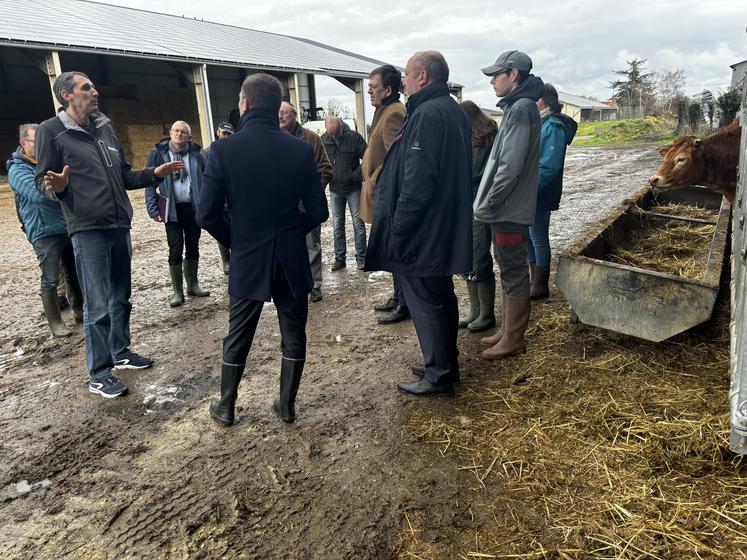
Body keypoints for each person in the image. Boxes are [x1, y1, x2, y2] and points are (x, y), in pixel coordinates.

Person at [35, 71, 183, 398]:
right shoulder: (52, 132)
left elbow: (126, 175)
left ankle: (120, 351)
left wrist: (154, 174)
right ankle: (99, 373)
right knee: (97, 305)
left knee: (121, 297)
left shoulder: (105, 128)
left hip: (119, 225)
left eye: (93, 86)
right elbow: (41, 182)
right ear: (66, 95)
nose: (95, 91)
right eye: (86, 88)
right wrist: (57, 187)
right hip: (88, 229)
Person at [197, 73, 328, 426]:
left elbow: (206, 214)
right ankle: (286, 405)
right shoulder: (300, 149)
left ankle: (226, 405)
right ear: (277, 107)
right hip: (290, 256)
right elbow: (319, 212)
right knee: (294, 332)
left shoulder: (223, 150)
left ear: (245, 104)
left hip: (248, 255)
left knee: (238, 332)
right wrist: (288, 231)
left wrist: (236, 239)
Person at [365, 51, 472, 397]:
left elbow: (418, 181)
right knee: (441, 295)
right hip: (442, 224)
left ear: (422, 77)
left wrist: (399, 226)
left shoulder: (426, 114)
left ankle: (438, 374)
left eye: (408, 76)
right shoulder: (451, 109)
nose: (405, 83)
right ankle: (443, 361)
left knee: (426, 301)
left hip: (424, 230)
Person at [473, 50, 544, 360]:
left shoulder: (521, 110)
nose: (492, 80)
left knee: (513, 269)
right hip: (508, 208)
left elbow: (510, 166)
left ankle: (514, 339)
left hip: (508, 210)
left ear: (513, 75)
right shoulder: (520, 107)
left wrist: (490, 201)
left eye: (497, 74)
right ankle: (507, 329)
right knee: (507, 266)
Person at [8, 123, 83, 337]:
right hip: (43, 231)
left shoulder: (50, 162)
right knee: (50, 276)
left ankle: (80, 310)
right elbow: (41, 195)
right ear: (23, 143)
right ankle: (56, 323)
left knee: (73, 272)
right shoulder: (17, 169)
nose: (43, 145)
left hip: (66, 224)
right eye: (36, 141)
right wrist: (66, 190)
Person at [360, 65, 409, 324]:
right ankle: (397, 295)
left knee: (394, 250)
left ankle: (404, 302)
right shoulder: (384, 110)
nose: (369, 91)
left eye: (373, 86)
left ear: (388, 90)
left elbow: (396, 158)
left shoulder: (394, 114)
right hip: (379, 192)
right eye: (368, 86)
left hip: (388, 195)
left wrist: (376, 178)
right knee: (389, 249)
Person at [145, 121, 210, 307]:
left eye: (183, 132)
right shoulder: (158, 154)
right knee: (175, 248)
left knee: (193, 246)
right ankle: (177, 292)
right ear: (170, 132)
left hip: (193, 207)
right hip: (171, 209)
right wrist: (152, 207)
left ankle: (193, 285)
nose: (179, 134)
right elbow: (150, 181)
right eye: (176, 131)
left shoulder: (197, 154)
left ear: (189, 136)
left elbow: (206, 180)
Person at [279, 101, 333, 302]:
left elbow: (326, 169)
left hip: (306, 207)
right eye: (278, 113)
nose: (281, 117)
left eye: (284, 113)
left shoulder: (311, 139)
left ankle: (315, 284)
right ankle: (294, 283)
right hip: (283, 208)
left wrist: (311, 195)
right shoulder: (274, 139)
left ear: (294, 114)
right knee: (288, 246)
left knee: (312, 245)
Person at [527, 84, 577, 299]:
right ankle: (533, 281)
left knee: (538, 236)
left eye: (534, 100)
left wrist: (529, 190)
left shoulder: (553, 126)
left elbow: (549, 166)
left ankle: (540, 284)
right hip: (530, 190)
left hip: (540, 191)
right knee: (529, 236)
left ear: (544, 101)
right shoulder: (542, 123)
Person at [457, 101, 498, 333]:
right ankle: (475, 310)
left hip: (478, 204)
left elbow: (473, 172)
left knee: (479, 254)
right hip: (465, 203)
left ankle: (487, 313)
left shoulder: (484, 139)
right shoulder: (468, 138)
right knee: (467, 256)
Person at [321, 115, 367, 271]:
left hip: (353, 188)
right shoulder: (324, 140)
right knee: (337, 225)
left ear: (340, 126)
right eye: (329, 133)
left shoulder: (354, 138)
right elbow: (320, 162)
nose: (332, 136)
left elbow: (367, 158)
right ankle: (340, 259)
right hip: (335, 189)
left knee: (358, 223)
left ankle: (361, 258)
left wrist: (356, 175)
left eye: (334, 132)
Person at [200, 122, 234, 274]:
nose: (225, 136)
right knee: (220, 225)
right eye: (223, 133)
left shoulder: (235, 151)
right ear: (217, 133)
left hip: (232, 196)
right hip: (216, 196)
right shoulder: (207, 153)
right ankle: (226, 260)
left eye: (229, 134)